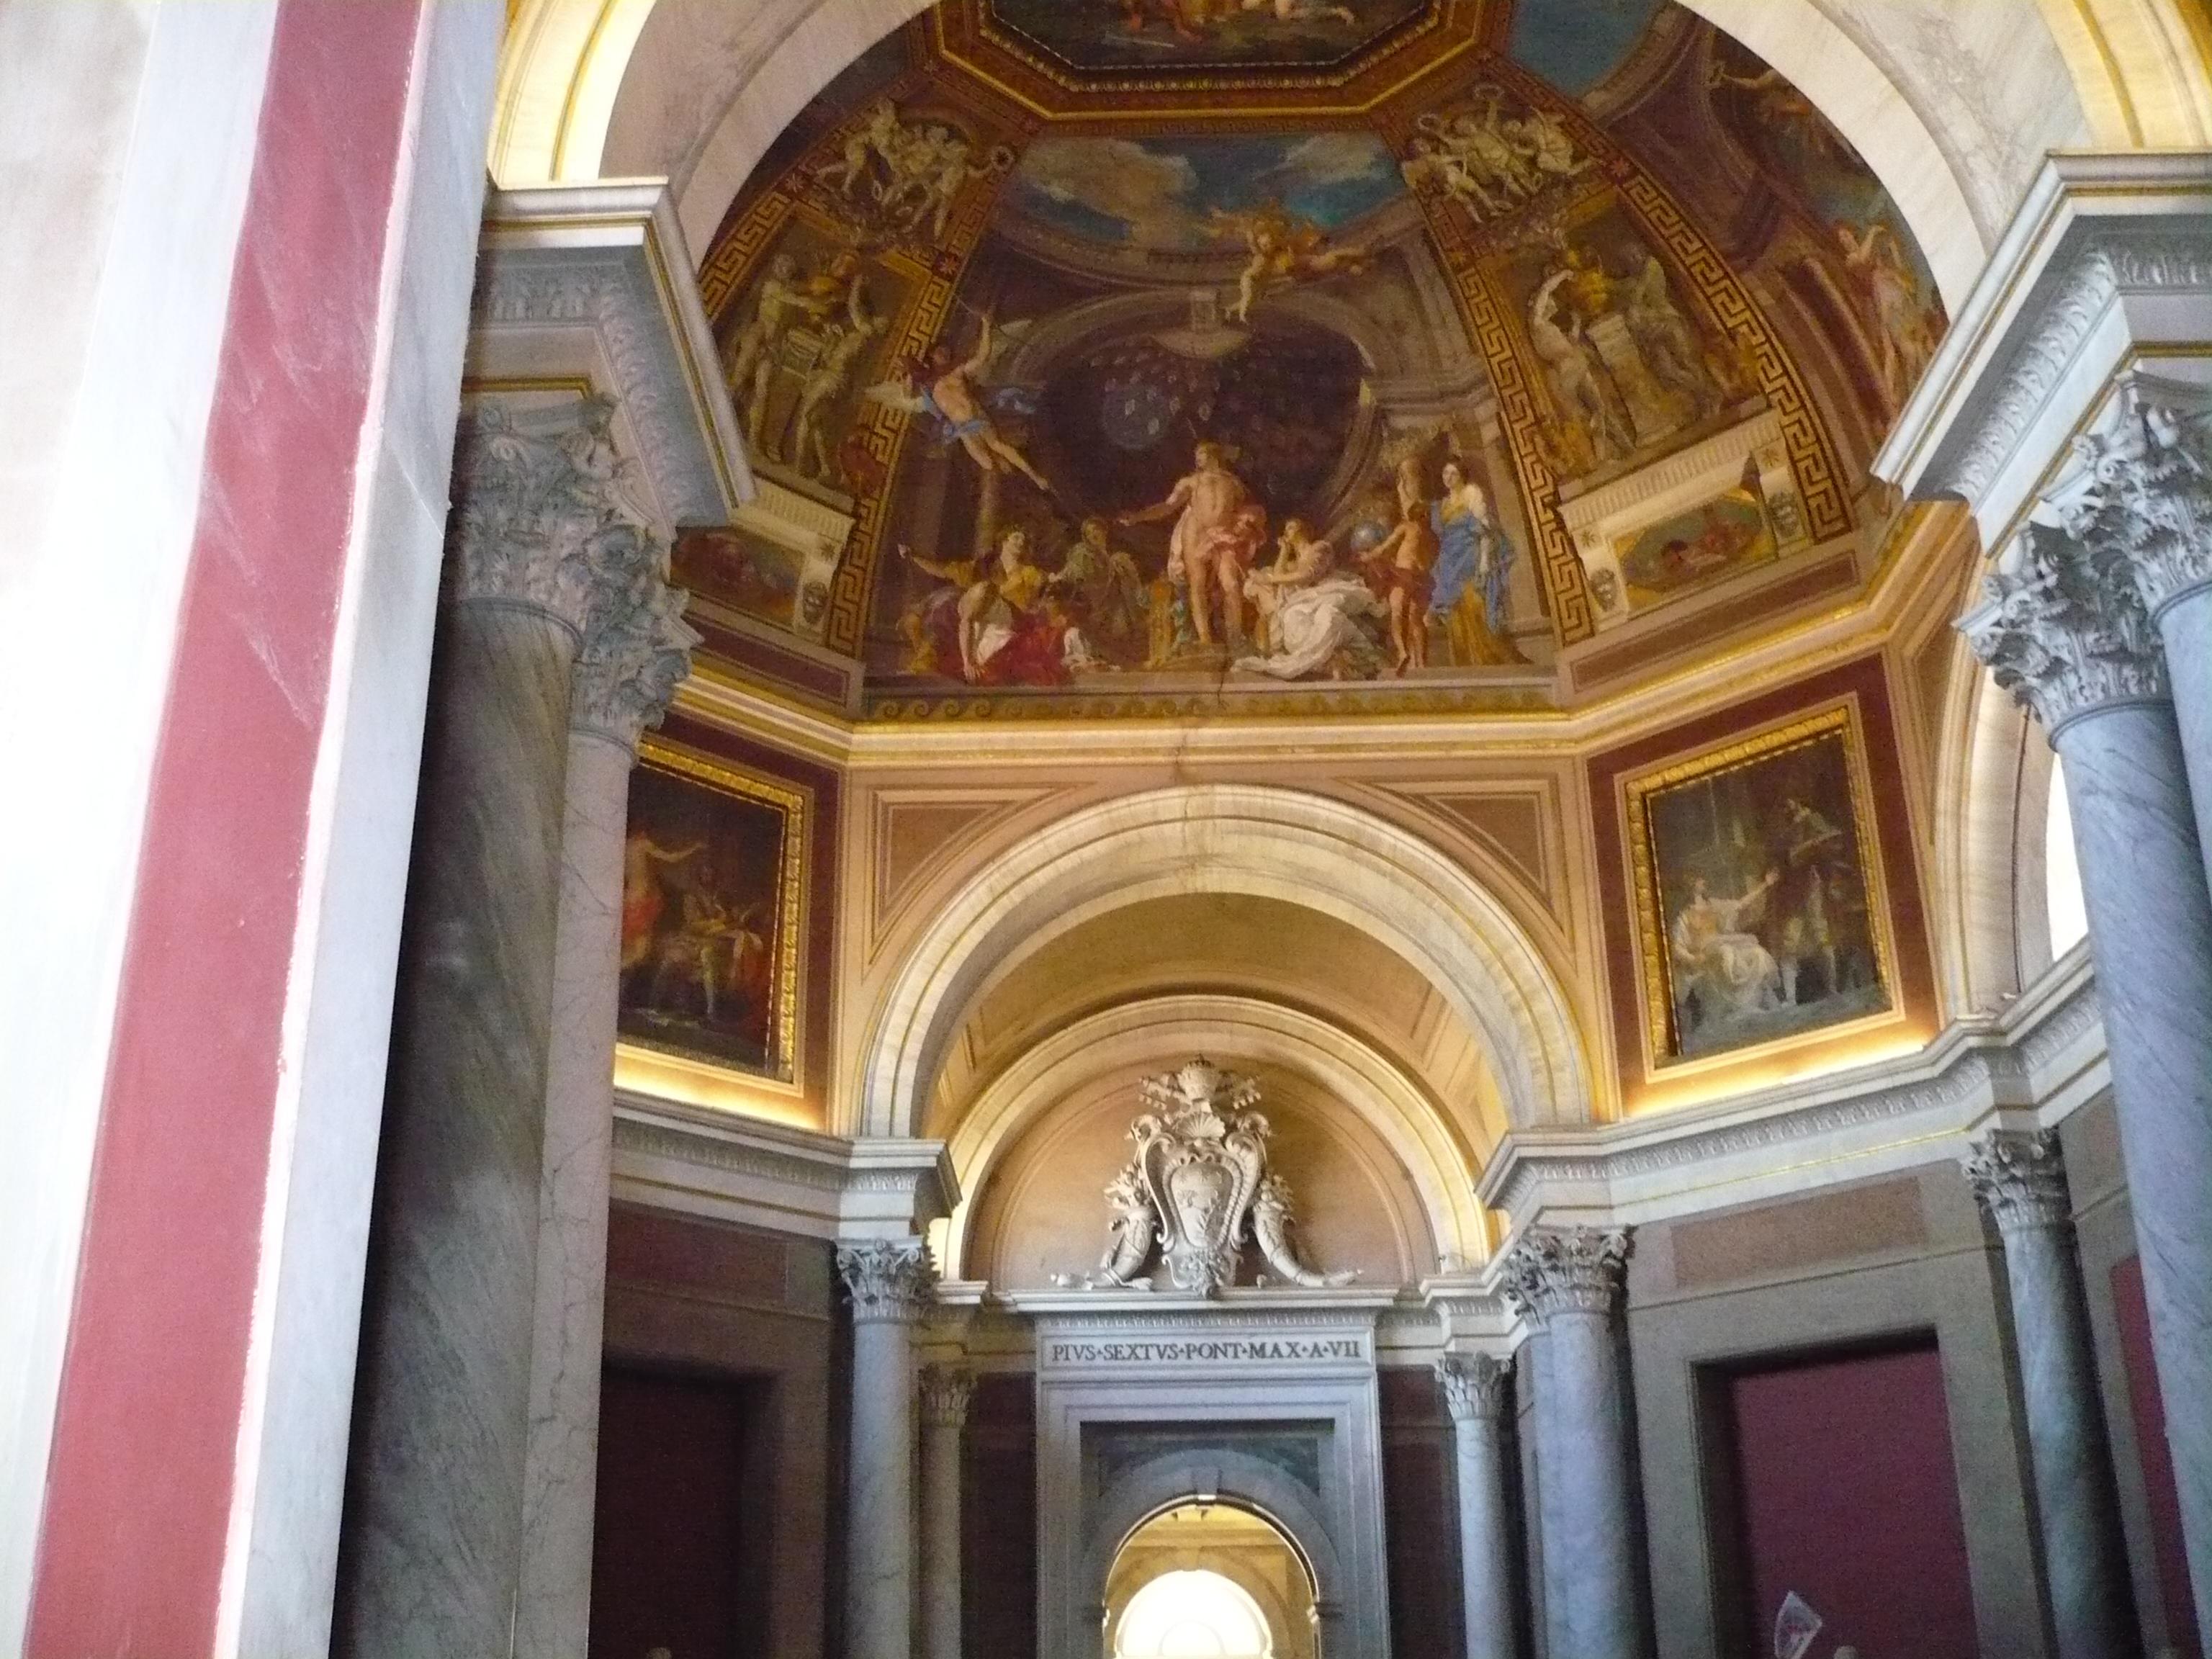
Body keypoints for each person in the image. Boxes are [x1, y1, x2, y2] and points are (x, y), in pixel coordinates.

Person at [1118, 441, 1256, 648]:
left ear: (1213, 455)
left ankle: (1235, 637)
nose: (1197, 457)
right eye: (1196, 454)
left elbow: (1244, 511)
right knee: (1197, 584)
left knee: (1231, 584)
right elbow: (1168, 506)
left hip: (1223, 535)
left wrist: (1246, 526)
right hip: (1196, 533)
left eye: (1201, 453)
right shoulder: (1191, 482)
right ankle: (1205, 640)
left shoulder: (1233, 483)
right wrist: (1138, 517)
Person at [1670, 871, 1784, 1035]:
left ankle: (1748, 1001)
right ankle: (1736, 1001)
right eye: (1699, 880)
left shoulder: (1713, 905)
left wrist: (1765, 884)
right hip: (1706, 952)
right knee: (1726, 953)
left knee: (1756, 952)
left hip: (1721, 943)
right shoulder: (1684, 916)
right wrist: (1694, 958)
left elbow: (1741, 904)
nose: (1703, 882)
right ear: (1691, 886)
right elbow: (1678, 947)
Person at [1359, 495, 1437, 673]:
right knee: (1416, 620)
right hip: (1422, 579)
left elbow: (1384, 547)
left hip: (1404, 575)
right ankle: (1421, 663)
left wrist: (1368, 557)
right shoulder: (1432, 536)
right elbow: (1431, 559)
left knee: (1397, 613)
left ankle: (1403, 652)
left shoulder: (1407, 526)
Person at [621, 828, 705, 976]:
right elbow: (672, 858)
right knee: (638, 952)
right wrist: (694, 848)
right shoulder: (642, 843)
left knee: (636, 949)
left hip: (631, 898)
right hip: (642, 899)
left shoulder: (623, 846)